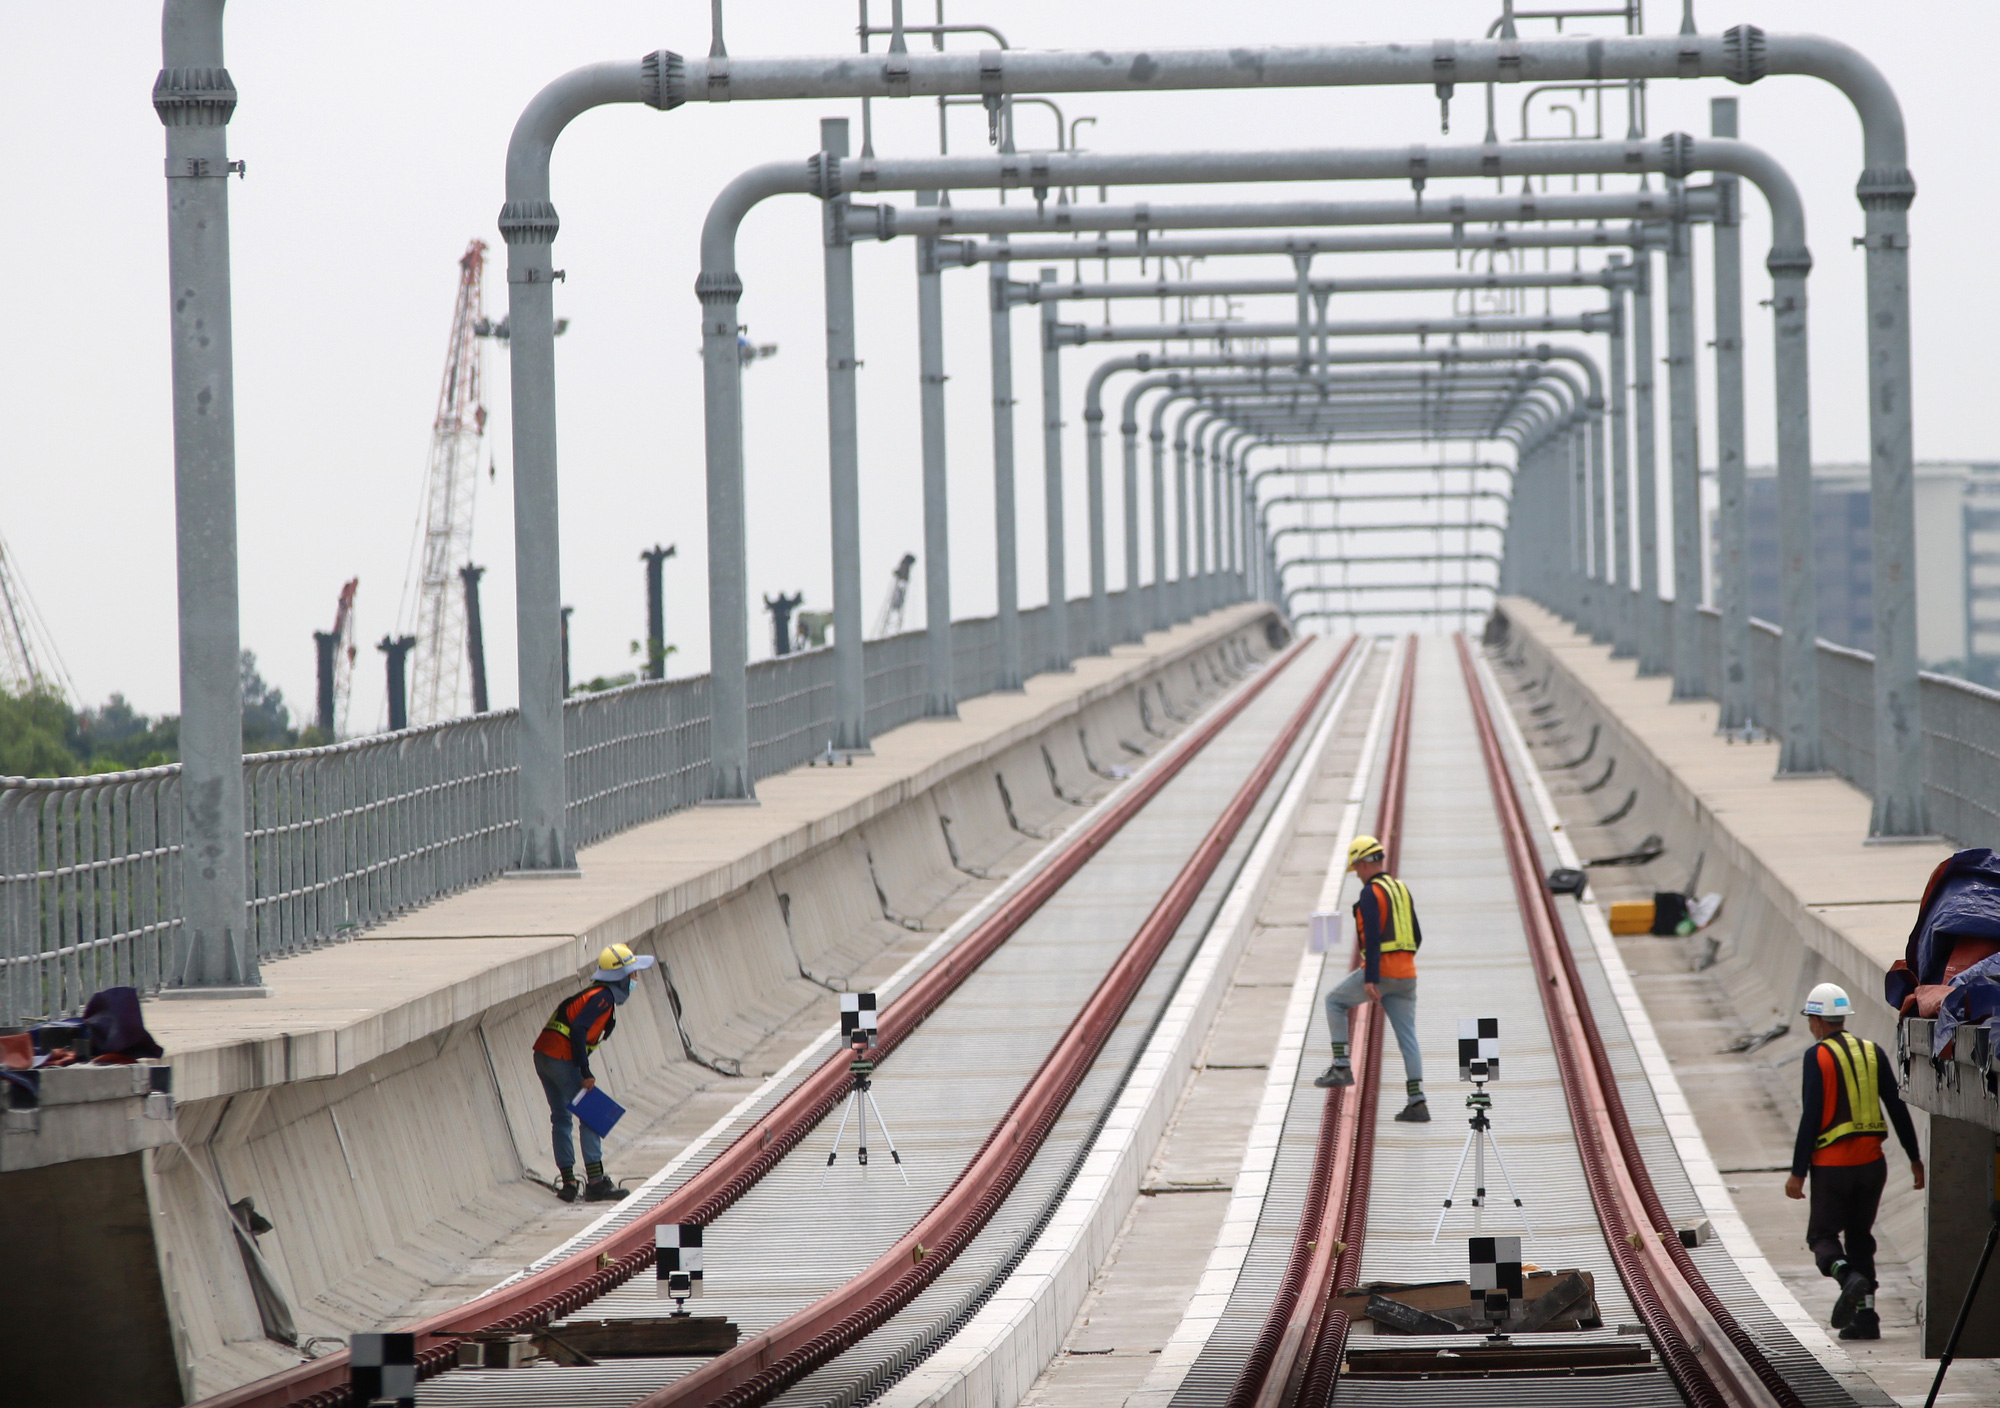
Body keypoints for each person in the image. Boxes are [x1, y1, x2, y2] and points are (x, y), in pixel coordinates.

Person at [1784, 982, 1924, 1340]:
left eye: (1810, 1019)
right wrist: (1915, 1159)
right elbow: (1897, 1107)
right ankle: (1867, 1318)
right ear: (1842, 1017)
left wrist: (1798, 1173)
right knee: (1860, 1237)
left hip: (1832, 1167)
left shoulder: (1816, 1056)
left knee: (1822, 1237)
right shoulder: (1872, 1052)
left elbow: (1811, 1116)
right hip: (1872, 1166)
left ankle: (1848, 1276)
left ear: (1817, 1020)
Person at [1315, 834, 1428, 1122]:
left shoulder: (1370, 893)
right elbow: (1417, 935)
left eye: (1356, 868)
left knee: (1334, 1001)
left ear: (1364, 863)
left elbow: (1374, 938)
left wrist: (1371, 978)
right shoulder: (1401, 888)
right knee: (1408, 1037)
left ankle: (1341, 1066)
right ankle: (1417, 1102)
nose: (1357, 874)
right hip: (1407, 974)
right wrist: (1402, 962)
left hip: (1382, 972)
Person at [532, 943, 656, 1203]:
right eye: (633, 974)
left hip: (544, 1056)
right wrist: (585, 1071)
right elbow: (579, 1030)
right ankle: (596, 1183)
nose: (636, 979)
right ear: (621, 977)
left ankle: (568, 1183)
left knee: (561, 1117)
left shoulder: (594, 994)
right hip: (561, 1059)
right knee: (593, 1114)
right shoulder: (603, 998)